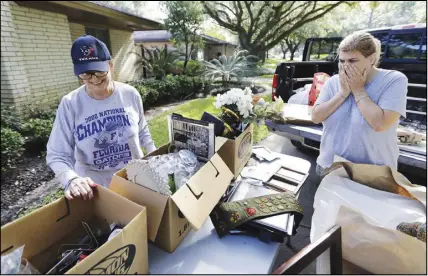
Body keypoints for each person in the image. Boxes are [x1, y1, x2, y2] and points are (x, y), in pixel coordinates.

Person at [47, 35, 157, 200]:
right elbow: (57, 154)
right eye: (86, 74)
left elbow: (142, 131)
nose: (94, 79)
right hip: (96, 190)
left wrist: (153, 154)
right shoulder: (70, 104)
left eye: (99, 71)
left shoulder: (130, 94)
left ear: (110, 65)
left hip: (135, 179)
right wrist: (71, 179)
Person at [311, 32, 408, 178]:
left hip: (373, 175)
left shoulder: (394, 80)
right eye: (342, 61)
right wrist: (342, 93)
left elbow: (380, 124)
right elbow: (316, 117)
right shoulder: (333, 82)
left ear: (371, 59)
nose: (345, 66)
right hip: (329, 169)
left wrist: (358, 89)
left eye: (352, 61)